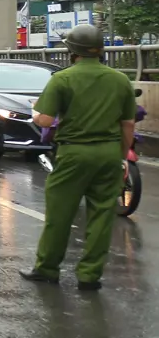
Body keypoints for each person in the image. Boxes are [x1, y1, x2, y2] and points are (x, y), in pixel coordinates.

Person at [21, 24, 138, 291]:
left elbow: (46, 119)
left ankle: (47, 269)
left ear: (71, 50)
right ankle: (90, 276)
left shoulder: (62, 79)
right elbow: (128, 124)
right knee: (102, 215)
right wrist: (122, 159)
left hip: (74, 153)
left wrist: (36, 113)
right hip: (109, 153)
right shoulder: (120, 80)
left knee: (60, 214)